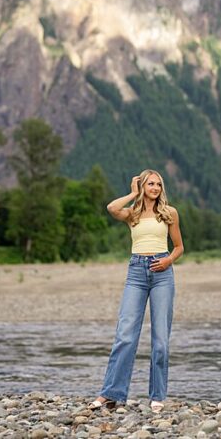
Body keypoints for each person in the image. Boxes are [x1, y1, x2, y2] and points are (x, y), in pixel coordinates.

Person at [89, 169, 184, 414]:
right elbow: (111, 208)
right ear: (142, 186)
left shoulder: (169, 213)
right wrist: (132, 193)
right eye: (150, 184)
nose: (155, 188)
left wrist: (167, 261)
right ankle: (111, 393)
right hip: (136, 272)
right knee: (125, 335)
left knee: (161, 340)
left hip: (162, 273)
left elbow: (179, 247)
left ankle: (157, 396)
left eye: (158, 184)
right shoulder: (132, 213)